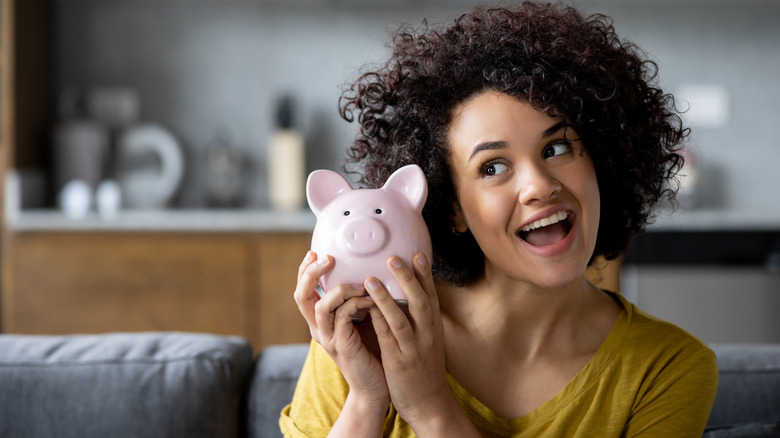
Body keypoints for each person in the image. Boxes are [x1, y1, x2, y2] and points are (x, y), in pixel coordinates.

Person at [281, 2, 719, 437]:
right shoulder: (368, 329)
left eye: (556, 149)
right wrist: (365, 398)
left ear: (601, 163)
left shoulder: (667, 368)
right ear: (453, 209)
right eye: (492, 167)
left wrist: (430, 407)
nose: (539, 186)